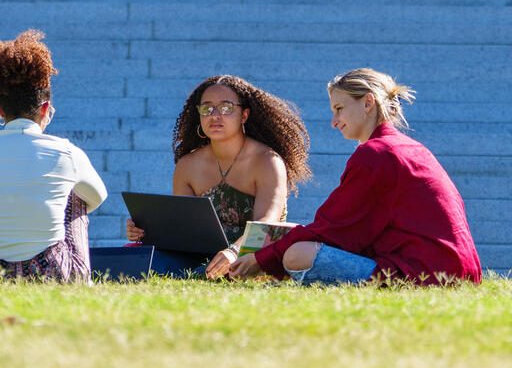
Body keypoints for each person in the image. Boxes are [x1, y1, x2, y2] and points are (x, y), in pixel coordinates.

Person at [229, 68, 482, 285]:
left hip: (425, 275)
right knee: (299, 241)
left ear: (368, 103)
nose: (334, 121)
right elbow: (350, 229)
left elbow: (331, 229)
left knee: (298, 254)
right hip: (459, 271)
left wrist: (261, 259)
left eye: (339, 109)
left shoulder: (376, 153)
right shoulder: (410, 148)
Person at [0, 30, 107, 282]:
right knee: (75, 194)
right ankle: (81, 279)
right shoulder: (66, 152)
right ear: (45, 108)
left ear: (0, 109)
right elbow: (98, 197)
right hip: (51, 272)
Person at [126, 74, 311, 277]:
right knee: (134, 259)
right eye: (206, 108)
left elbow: (266, 223)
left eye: (226, 108)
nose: (214, 115)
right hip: (201, 257)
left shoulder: (268, 161)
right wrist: (146, 231)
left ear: (244, 115)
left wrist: (233, 252)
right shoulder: (187, 165)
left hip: (252, 257)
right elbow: (183, 229)